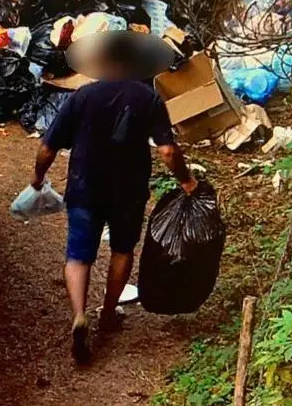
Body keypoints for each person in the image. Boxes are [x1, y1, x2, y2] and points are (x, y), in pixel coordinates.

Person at [31, 32, 198, 364]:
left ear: (101, 62)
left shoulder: (81, 97)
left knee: (78, 254)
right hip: (128, 190)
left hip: (84, 185)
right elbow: (167, 150)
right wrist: (187, 181)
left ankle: (79, 314)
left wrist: (37, 178)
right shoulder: (147, 99)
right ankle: (108, 312)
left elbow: (47, 147)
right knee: (122, 249)